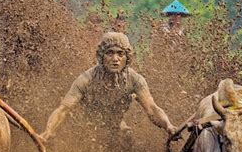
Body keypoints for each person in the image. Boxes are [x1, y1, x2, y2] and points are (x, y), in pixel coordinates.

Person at [39, 32, 176, 144]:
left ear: (127, 58)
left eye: (120, 54)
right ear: (101, 56)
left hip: (115, 127)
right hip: (86, 130)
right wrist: (49, 131)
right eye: (110, 53)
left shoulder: (135, 80)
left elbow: (152, 109)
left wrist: (168, 126)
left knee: (127, 138)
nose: (115, 58)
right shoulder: (86, 80)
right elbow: (64, 109)